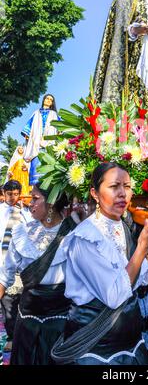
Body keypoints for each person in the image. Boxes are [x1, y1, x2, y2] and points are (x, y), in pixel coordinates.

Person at [51, 162, 148, 365]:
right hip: (96, 348)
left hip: (130, 342)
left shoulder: (125, 228)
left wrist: (144, 248)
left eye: (127, 186)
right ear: (94, 193)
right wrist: (142, 249)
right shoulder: (85, 238)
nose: (122, 194)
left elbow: (144, 279)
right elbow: (115, 295)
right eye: (114, 186)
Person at [0, 182, 77, 364]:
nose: (30, 203)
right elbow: (4, 276)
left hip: (61, 322)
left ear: (51, 203)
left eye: (35, 199)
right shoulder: (22, 232)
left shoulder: (74, 234)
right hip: (27, 319)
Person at [0, 180, 32, 353]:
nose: (12, 197)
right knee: (7, 303)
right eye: (9, 194)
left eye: (15, 194)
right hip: (4, 260)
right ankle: (12, 336)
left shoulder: (26, 212)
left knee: (22, 302)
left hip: (23, 262)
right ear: (4, 194)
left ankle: (23, 335)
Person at [21, 94, 59, 186]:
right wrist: (28, 137)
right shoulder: (36, 113)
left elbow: (59, 127)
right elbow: (28, 127)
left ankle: (45, 190)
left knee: (47, 165)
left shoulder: (54, 114)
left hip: (48, 145)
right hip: (36, 145)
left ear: (52, 103)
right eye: (47, 98)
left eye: (51, 99)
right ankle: (34, 189)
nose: (49, 100)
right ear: (44, 100)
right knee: (35, 166)